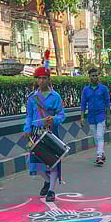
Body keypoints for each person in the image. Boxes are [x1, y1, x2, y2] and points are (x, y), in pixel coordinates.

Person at [24, 67, 66, 203]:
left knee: (52, 162)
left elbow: (61, 115)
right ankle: (47, 181)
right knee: (33, 161)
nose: (41, 81)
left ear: (49, 79)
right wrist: (27, 128)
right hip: (36, 132)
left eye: (44, 78)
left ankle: (51, 190)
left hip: (51, 132)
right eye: (39, 78)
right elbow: (29, 115)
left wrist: (54, 119)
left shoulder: (56, 97)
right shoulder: (32, 97)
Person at [80, 67, 111, 166]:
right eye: (93, 76)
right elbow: (83, 104)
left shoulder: (103, 88)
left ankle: (98, 156)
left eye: (96, 75)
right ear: (89, 77)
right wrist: (82, 117)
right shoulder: (86, 90)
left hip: (101, 115)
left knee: (99, 135)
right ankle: (102, 153)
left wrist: (108, 117)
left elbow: (107, 103)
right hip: (91, 116)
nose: (95, 77)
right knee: (95, 137)